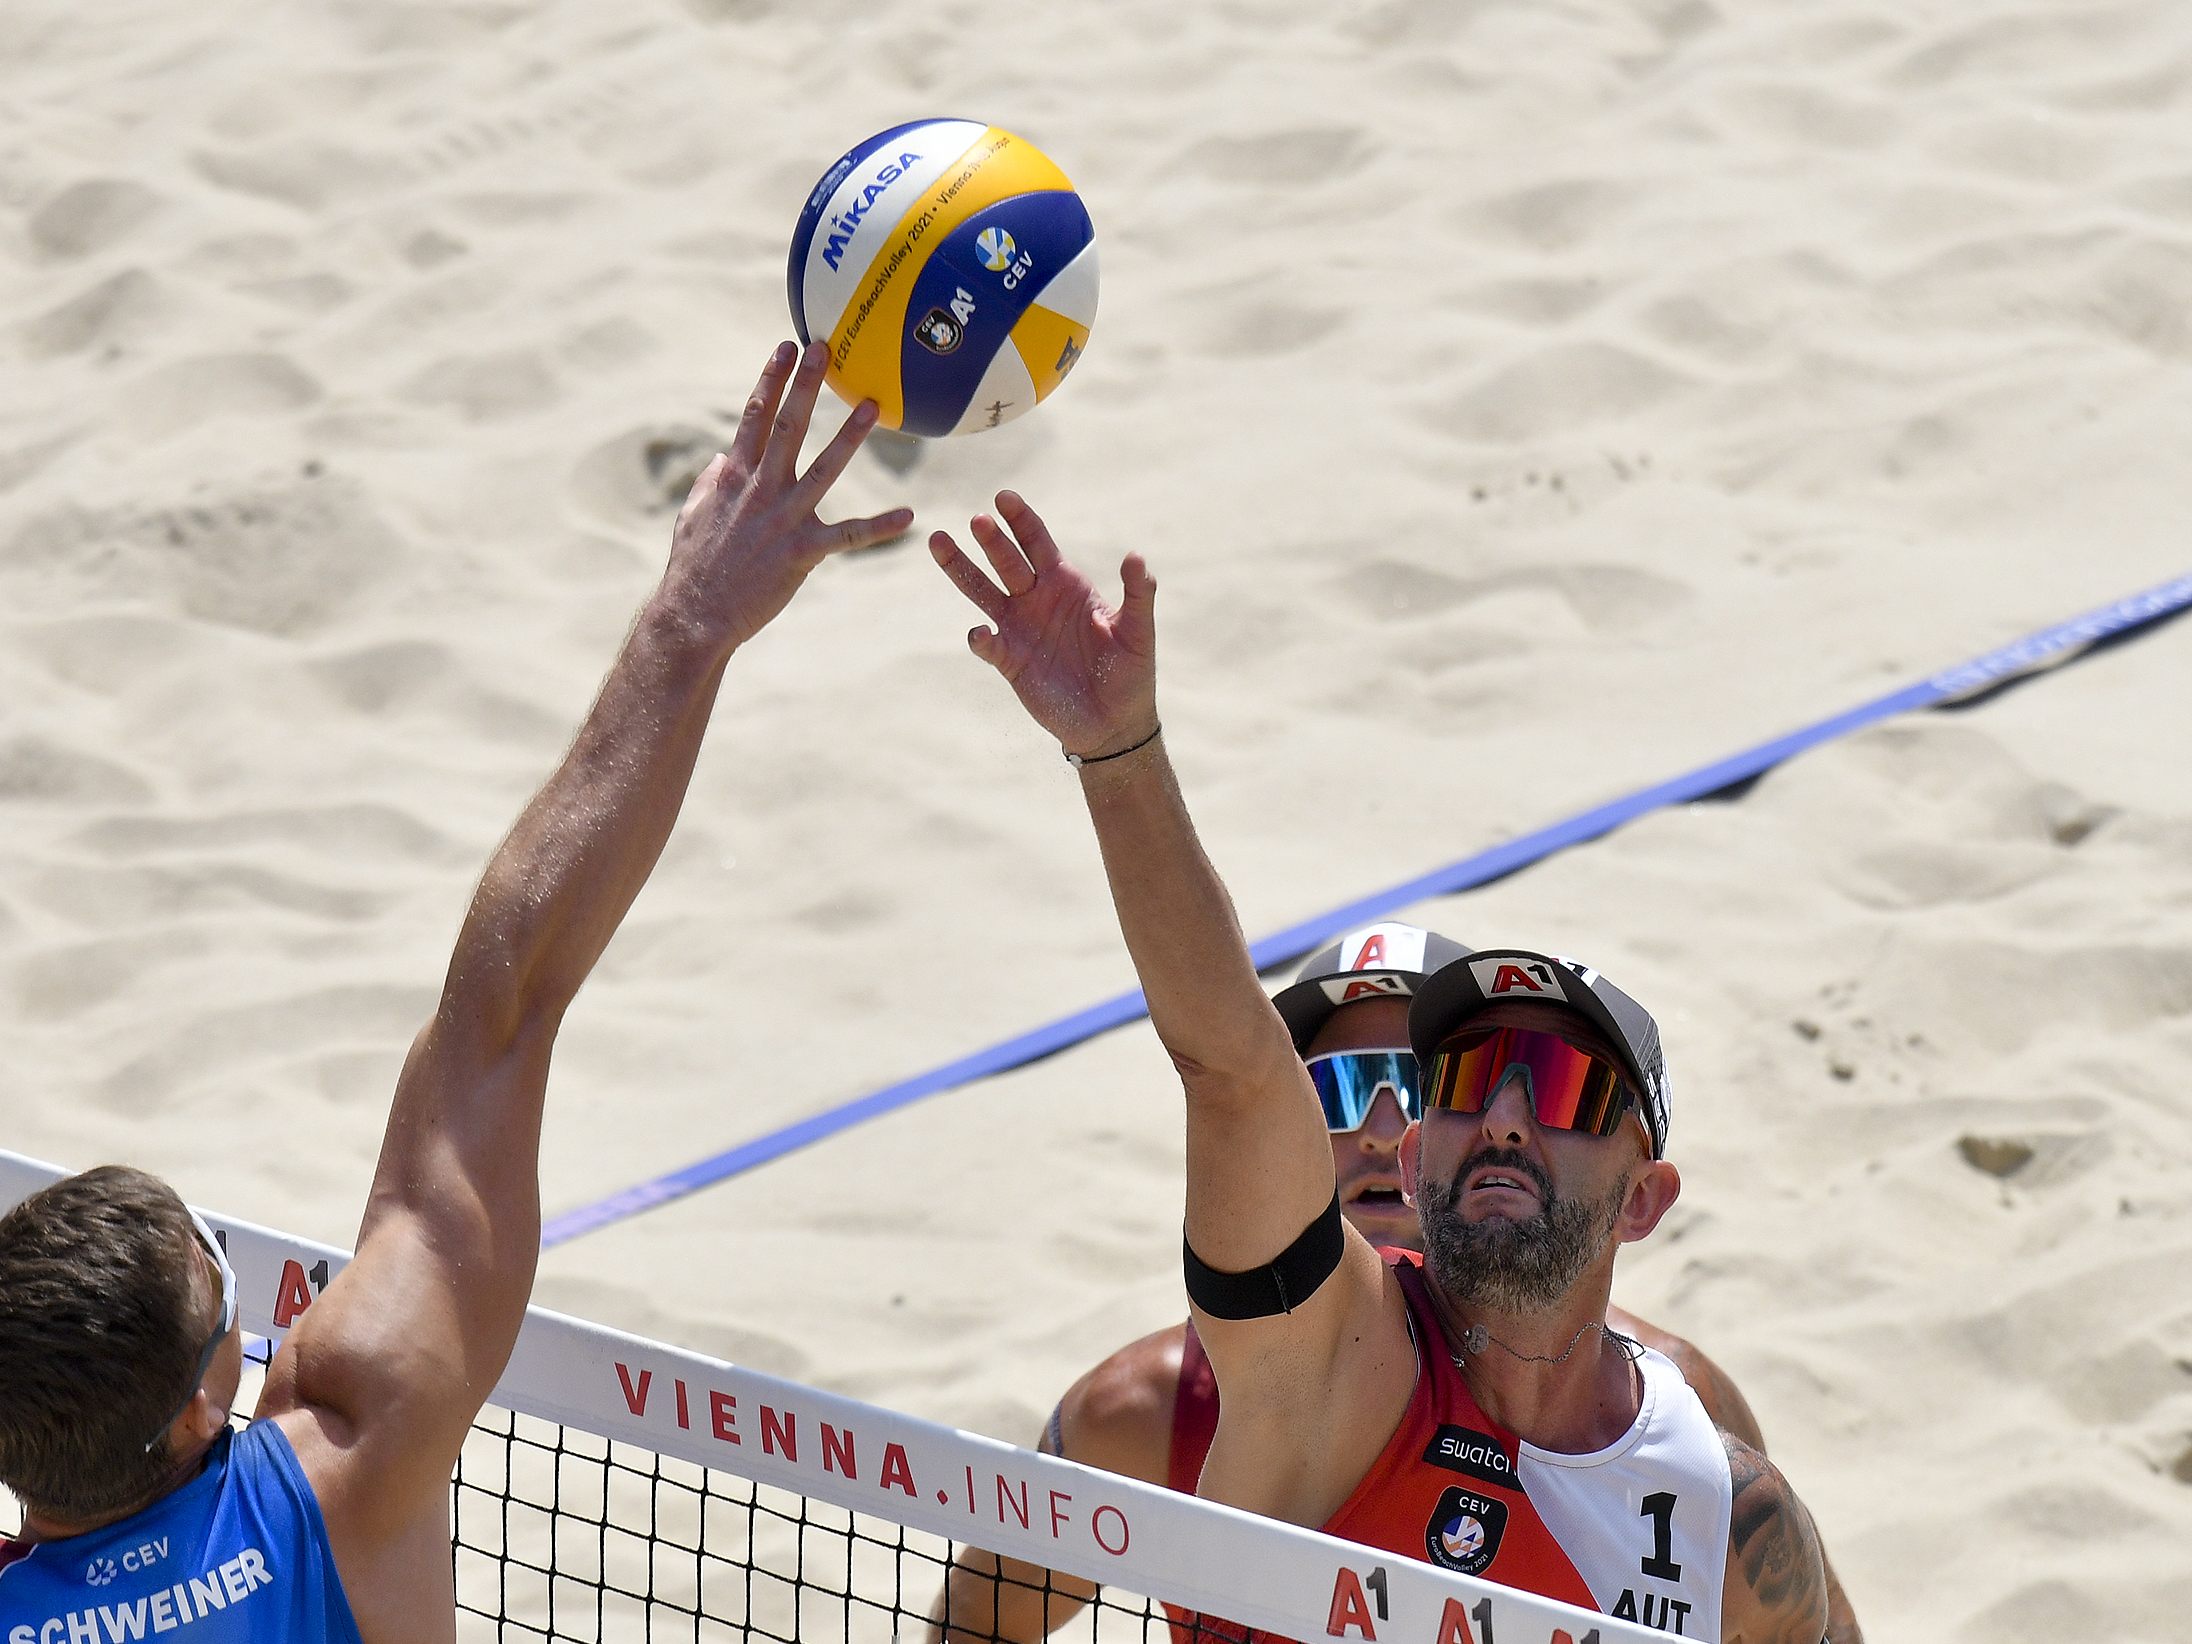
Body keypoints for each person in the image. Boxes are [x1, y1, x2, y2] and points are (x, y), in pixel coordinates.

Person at [0, 341, 909, 1644]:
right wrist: (689, 624)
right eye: (228, 1314)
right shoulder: (342, 1475)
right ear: (204, 1407)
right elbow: (505, 1009)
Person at [929, 494, 1832, 1643]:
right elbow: (1232, 1066)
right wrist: (1118, 755)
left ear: (1643, 1197)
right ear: (1420, 1158)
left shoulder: (1726, 1501)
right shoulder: (1319, 1371)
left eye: (1553, 1089)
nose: (1500, 1117)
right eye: (1462, 1089)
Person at [931, 925, 1863, 1644]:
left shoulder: (1678, 1409)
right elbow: (976, 1623)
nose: (1379, 1131)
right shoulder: (1144, 1411)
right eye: (1333, 1094)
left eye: (1421, 1086)